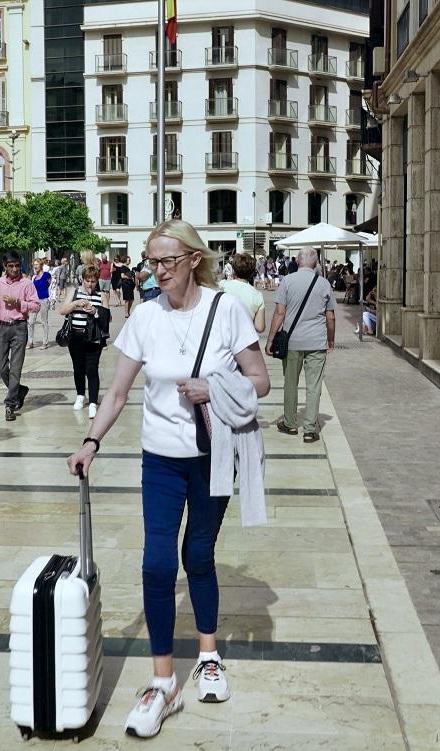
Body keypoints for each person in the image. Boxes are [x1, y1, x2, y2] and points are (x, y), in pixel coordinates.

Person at [65, 219, 270, 739]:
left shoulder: (226, 312)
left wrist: (212, 385)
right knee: (157, 564)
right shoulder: (144, 317)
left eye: (166, 262)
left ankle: (207, 654)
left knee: (197, 557)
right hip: (159, 459)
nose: (156, 271)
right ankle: (163, 682)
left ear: (194, 260)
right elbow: (114, 393)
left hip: (212, 456)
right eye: (151, 262)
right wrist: (91, 441)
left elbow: (261, 382)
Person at [266, 247, 335, 444]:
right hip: (316, 341)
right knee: (314, 386)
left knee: (290, 382)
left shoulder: (287, 281)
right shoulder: (324, 284)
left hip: (292, 341)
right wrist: (330, 339)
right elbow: (330, 317)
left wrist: (270, 339)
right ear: (316, 262)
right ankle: (310, 430)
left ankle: (289, 423)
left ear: (297, 260)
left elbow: (280, 313)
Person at [0, 251, 40, 421]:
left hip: (19, 328)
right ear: (5, 266)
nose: (15, 269)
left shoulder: (26, 284)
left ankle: (10, 404)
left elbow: (36, 305)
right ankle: (20, 390)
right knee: (1, 368)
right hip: (1, 328)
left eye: (17, 265)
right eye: (11, 266)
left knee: (15, 369)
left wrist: (19, 303)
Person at [58, 266, 109, 417]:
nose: (90, 284)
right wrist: (75, 304)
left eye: (93, 281)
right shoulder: (73, 292)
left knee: (92, 369)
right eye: (87, 281)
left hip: (93, 338)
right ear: (83, 279)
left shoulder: (102, 295)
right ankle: (80, 395)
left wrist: (95, 312)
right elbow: (62, 310)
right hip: (76, 336)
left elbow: (107, 318)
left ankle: (93, 402)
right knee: (78, 368)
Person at [218, 253, 266, 334]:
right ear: (251, 273)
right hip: (244, 338)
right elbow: (260, 327)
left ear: (234, 270)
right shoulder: (257, 295)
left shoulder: (222, 285)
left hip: (221, 335)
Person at [28, 260, 52, 349]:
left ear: (41, 265)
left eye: (37, 264)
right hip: (34, 301)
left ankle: (45, 342)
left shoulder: (46, 275)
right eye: (34, 264)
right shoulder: (34, 277)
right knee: (31, 321)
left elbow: (49, 284)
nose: (35, 266)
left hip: (44, 300)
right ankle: (30, 342)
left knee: (44, 321)